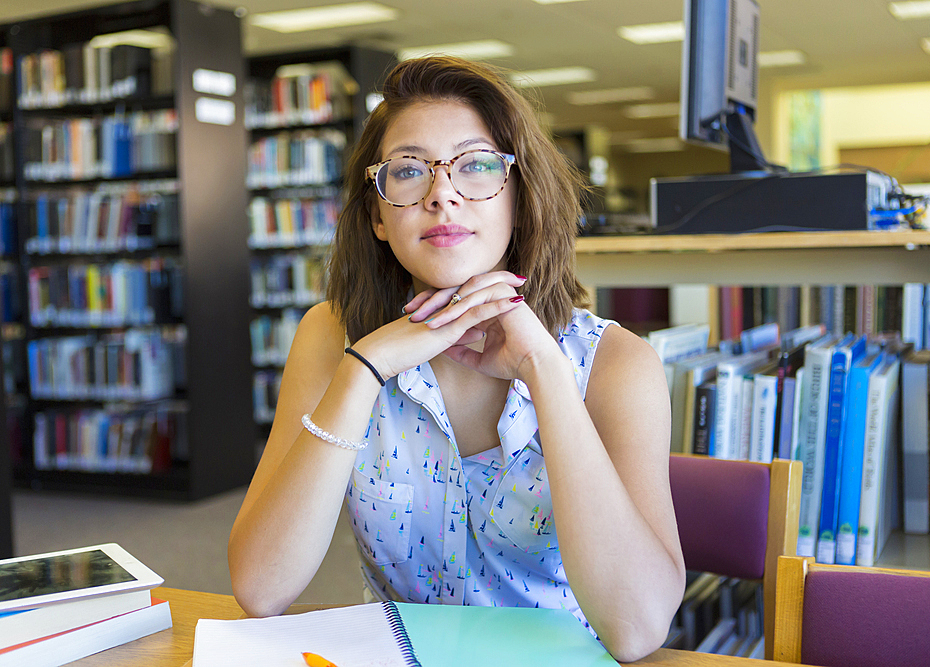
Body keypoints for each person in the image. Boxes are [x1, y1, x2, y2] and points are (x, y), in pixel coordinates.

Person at [228, 56, 685, 662]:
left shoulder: (616, 362)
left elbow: (637, 629)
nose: (443, 193)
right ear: (377, 214)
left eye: (475, 166)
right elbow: (261, 588)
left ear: (520, 196)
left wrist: (543, 371)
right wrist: (365, 367)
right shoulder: (331, 335)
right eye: (410, 171)